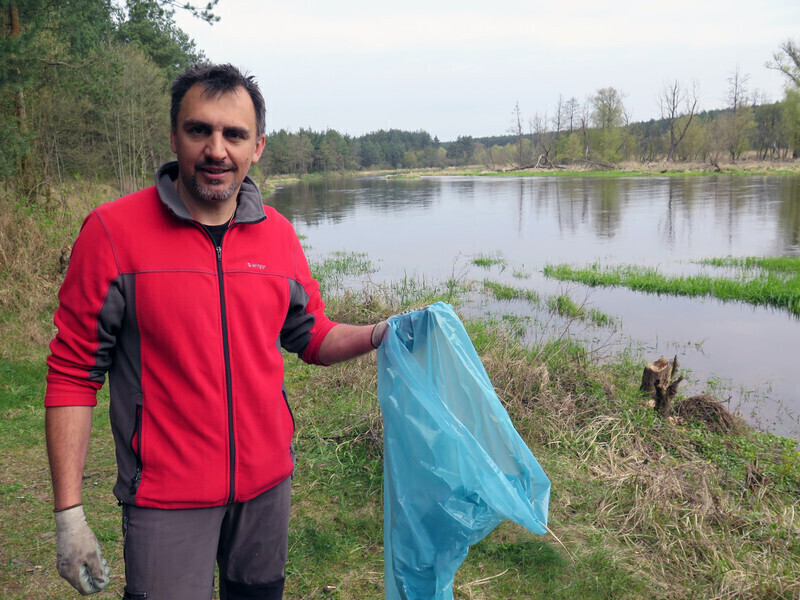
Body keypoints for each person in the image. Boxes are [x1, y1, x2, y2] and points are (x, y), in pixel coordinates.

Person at [45, 63, 389, 600]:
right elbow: (72, 374)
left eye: (234, 134)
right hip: (165, 498)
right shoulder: (113, 233)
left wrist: (381, 332)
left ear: (258, 147)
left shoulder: (277, 235)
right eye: (199, 130)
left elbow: (313, 335)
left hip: (266, 492)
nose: (216, 150)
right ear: (175, 136)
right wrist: (69, 516)